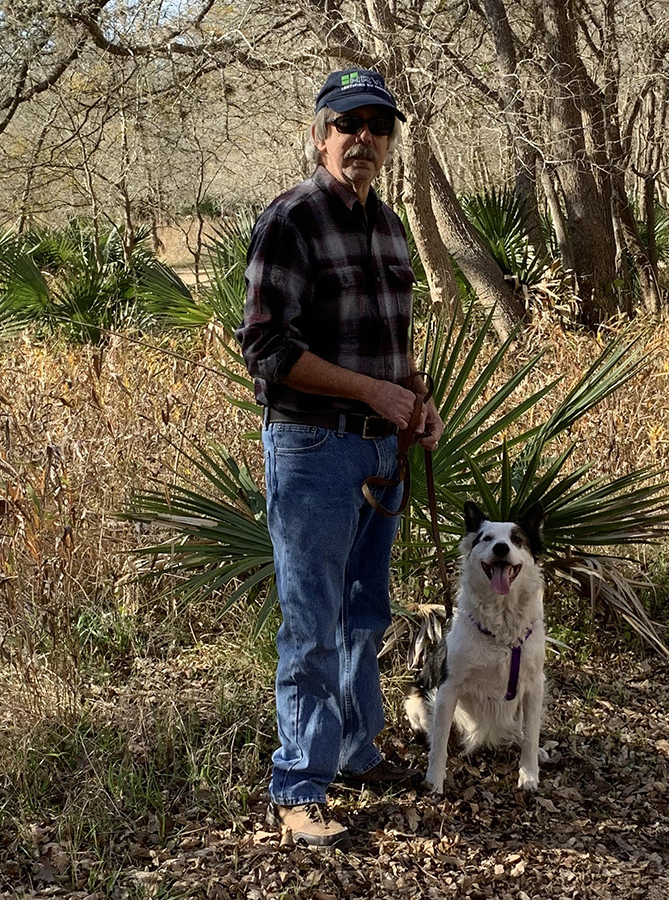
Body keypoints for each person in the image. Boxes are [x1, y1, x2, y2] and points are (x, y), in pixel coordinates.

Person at [236, 68, 443, 849]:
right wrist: (371, 394)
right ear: (322, 134)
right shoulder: (289, 220)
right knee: (313, 623)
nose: (364, 137)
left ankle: (355, 748)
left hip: (382, 449)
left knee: (366, 614)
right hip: (313, 447)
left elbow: (396, 343)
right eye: (348, 123)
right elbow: (266, 350)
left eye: (378, 125)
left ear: (390, 142)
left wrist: (417, 402)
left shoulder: (390, 228)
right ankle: (299, 786)